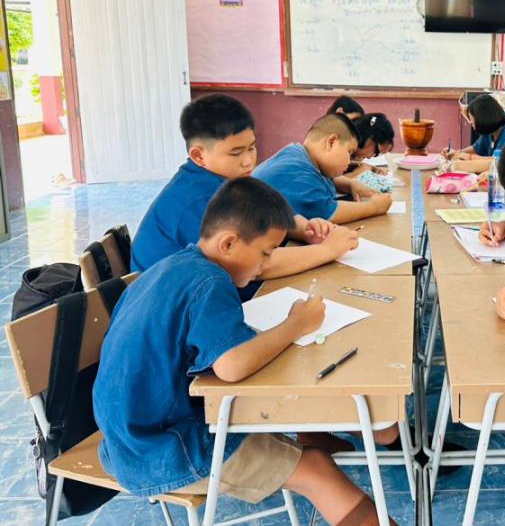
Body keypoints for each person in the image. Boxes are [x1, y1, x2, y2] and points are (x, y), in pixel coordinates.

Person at [94, 178, 398, 525]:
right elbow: (232, 366)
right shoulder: (210, 283)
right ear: (228, 243)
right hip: (164, 449)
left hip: (125, 439)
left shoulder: (175, 266)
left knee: (281, 424)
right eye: (266, 253)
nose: (266, 264)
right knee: (317, 469)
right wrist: (296, 325)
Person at [131, 95, 358, 282]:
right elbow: (254, 266)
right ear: (199, 156)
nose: (249, 161)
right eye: (236, 153)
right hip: (176, 307)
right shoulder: (197, 201)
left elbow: (267, 215)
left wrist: (306, 228)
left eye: (251, 148)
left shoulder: (228, 179)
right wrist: (327, 251)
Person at [254, 113, 392, 224]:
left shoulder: (299, 154)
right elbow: (327, 212)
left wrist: (350, 184)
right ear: (331, 142)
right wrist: (375, 207)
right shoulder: (298, 172)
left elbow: (326, 178)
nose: (349, 160)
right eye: (349, 152)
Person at [443, 94, 505, 174]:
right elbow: (476, 148)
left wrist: (468, 157)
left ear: (482, 118)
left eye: (471, 118)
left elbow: (498, 162)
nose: (471, 122)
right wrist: (457, 153)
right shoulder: (489, 130)